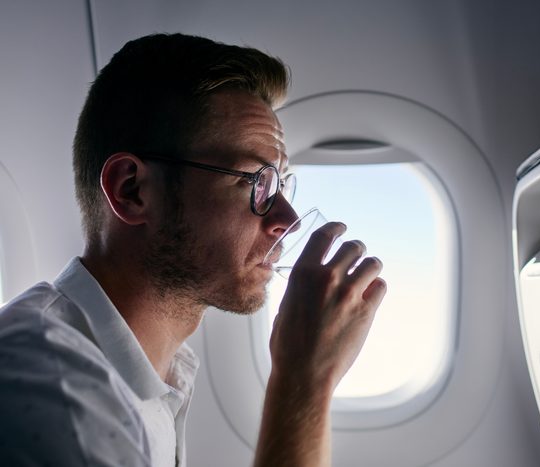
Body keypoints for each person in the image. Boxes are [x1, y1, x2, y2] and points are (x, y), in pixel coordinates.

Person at [0, 33, 386, 466]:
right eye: (255, 182)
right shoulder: (58, 396)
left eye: (280, 182)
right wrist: (304, 379)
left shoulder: (155, 374)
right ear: (133, 191)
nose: (288, 219)